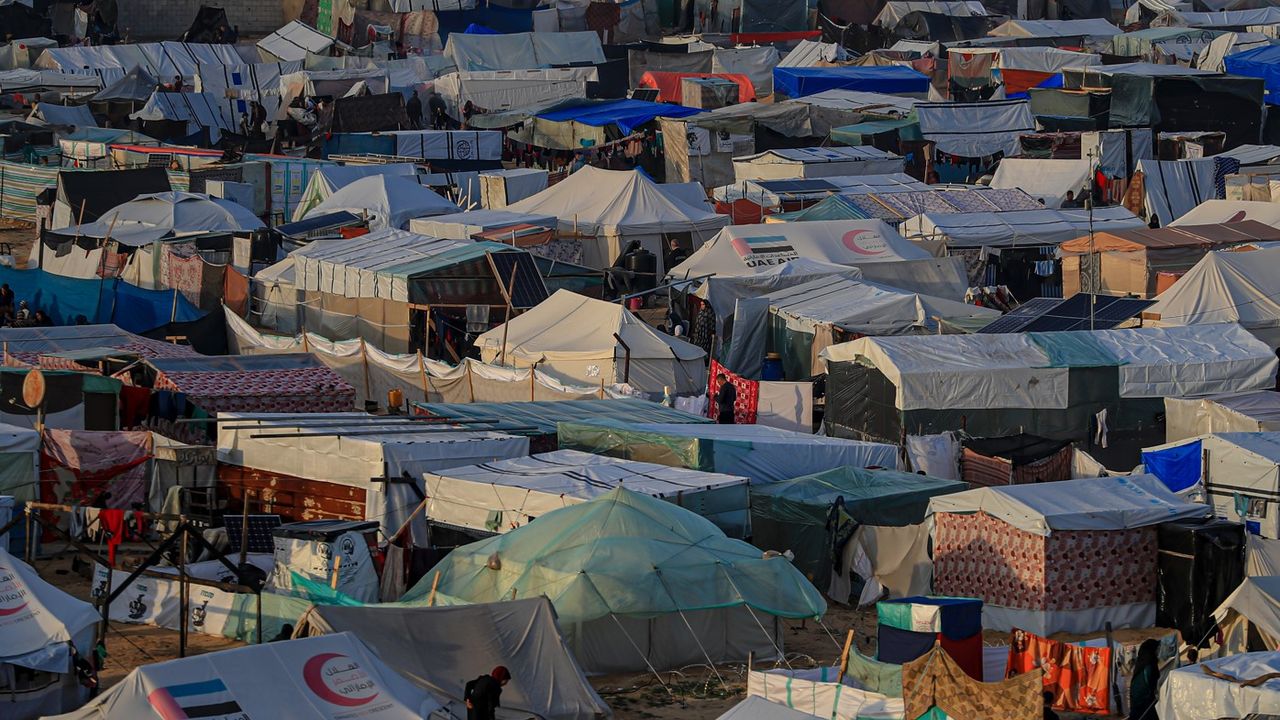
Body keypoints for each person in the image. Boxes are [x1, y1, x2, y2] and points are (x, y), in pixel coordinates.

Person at [1128, 639, 1160, 720]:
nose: (1158, 651)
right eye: (1156, 649)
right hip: (1143, 701)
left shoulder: (1142, 661)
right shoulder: (1149, 664)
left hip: (1137, 700)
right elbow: (1151, 683)